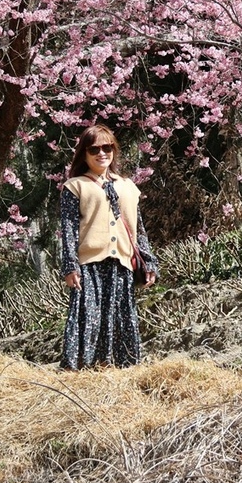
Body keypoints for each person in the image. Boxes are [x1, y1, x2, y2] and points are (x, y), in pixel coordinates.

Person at [58, 124, 158, 370]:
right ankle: (82, 371)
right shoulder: (75, 186)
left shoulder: (127, 186)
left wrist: (149, 262)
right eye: (94, 149)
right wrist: (70, 266)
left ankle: (121, 370)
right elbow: (69, 230)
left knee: (121, 320)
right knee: (88, 319)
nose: (101, 153)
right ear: (84, 153)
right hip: (89, 266)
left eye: (107, 147)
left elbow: (138, 229)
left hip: (122, 265)